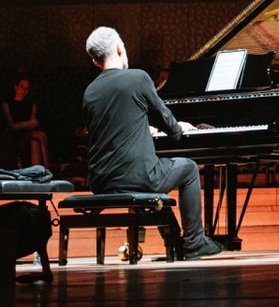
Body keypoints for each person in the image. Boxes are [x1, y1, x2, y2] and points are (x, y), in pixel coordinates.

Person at [80, 26, 220, 259]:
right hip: (138, 177)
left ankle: (174, 242)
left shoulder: (90, 91)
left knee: (150, 183)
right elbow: (170, 125)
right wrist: (178, 127)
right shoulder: (138, 78)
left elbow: (108, 129)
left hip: (100, 180)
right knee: (189, 168)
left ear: (95, 62)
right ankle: (194, 242)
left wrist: (141, 128)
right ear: (119, 48)